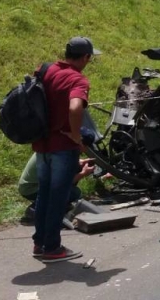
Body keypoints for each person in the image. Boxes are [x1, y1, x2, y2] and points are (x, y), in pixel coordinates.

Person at [31, 36, 101, 263]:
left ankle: (39, 242)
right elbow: (75, 106)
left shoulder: (47, 70)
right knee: (58, 198)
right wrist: (75, 133)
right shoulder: (78, 80)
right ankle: (52, 248)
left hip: (42, 144)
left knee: (44, 194)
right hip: (63, 147)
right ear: (85, 57)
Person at [19, 153, 94, 223]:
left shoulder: (57, 147)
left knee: (76, 167)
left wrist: (80, 163)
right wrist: (82, 174)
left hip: (36, 184)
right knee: (74, 193)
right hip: (31, 188)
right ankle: (35, 209)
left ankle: (58, 204)